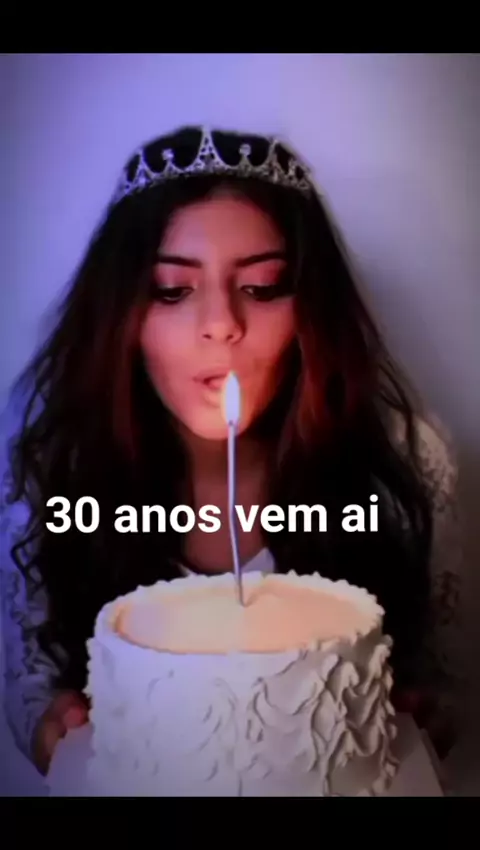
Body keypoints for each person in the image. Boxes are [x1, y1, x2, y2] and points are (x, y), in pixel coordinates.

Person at [1, 126, 464, 778]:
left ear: (312, 308)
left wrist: (430, 713)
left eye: (262, 286)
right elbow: (29, 684)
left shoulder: (406, 461)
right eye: (172, 289)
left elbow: (444, 673)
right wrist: (49, 724)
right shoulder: (55, 470)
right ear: (120, 316)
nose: (220, 324)